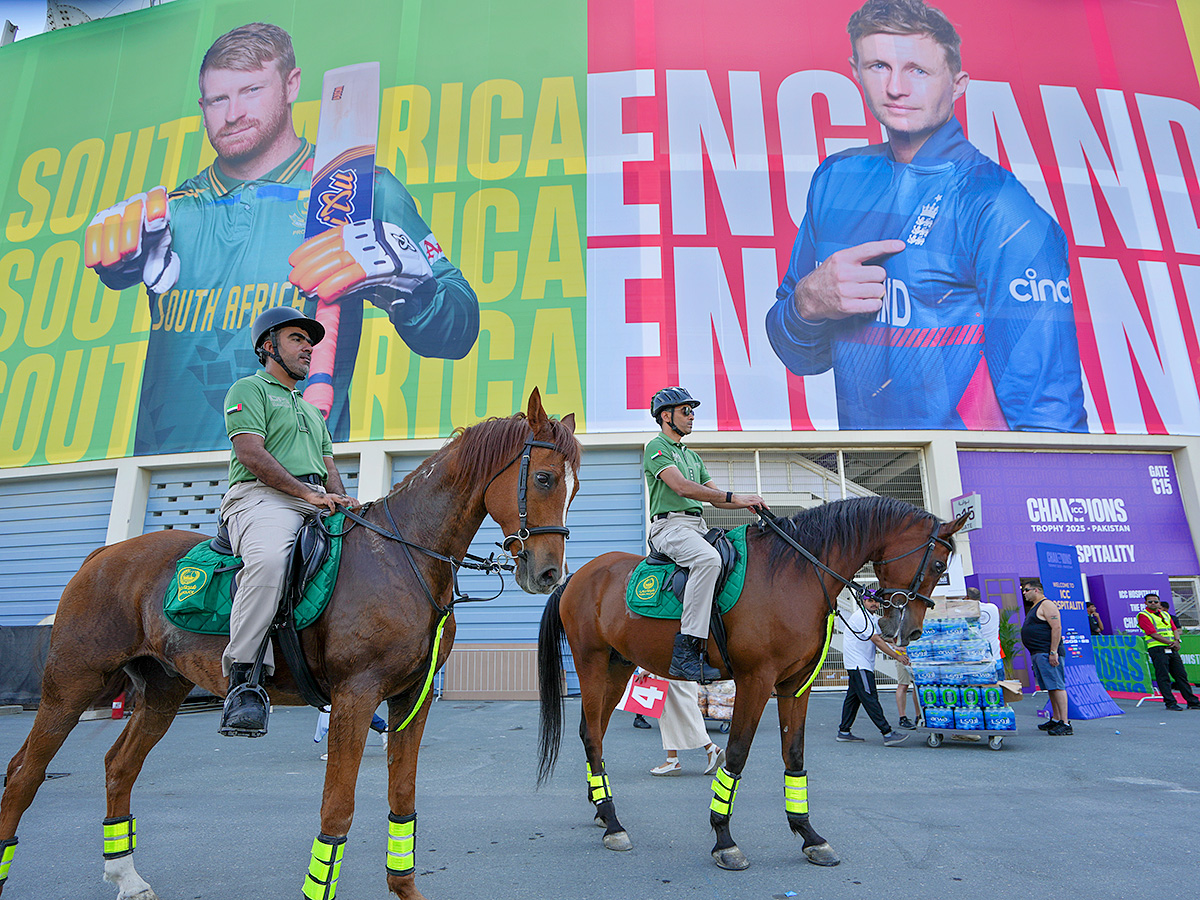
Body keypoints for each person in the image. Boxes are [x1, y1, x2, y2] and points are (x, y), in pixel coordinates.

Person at [84, 21, 479, 454]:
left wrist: (413, 288)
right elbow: (116, 264)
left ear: (292, 85)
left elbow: (460, 324)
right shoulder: (170, 212)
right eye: (219, 99)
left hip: (294, 478)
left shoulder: (359, 191)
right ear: (202, 105)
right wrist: (115, 254)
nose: (232, 113)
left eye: (251, 91)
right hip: (161, 480)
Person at [766, 0, 1086, 432]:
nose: (896, 88)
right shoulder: (835, 178)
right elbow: (800, 357)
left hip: (967, 484)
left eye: (918, 70)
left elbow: (1049, 415)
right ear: (855, 70)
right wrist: (808, 302)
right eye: (879, 65)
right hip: (871, 484)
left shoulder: (998, 207)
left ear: (957, 84)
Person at [217, 307, 361, 736]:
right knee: (268, 563)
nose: (308, 348)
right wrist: (307, 494)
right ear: (268, 346)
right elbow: (251, 454)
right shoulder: (249, 389)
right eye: (298, 338)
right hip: (261, 500)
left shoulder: (312, 411)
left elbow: (328, 465)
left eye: (311, 342)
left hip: (313, 500)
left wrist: (339, 497)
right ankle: (243, 682)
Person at [643, 387, 767, 682]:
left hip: (697, 526)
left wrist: (748, 499)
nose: (692, 417)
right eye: (686, 411)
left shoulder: (692, 456)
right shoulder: (656, 448)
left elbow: (714, 496)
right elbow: (683, 488)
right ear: (665, 416)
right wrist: (730, 494)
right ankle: (686, 650)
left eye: (693, 411)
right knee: (709, 560)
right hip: (669, 527)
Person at [837, 591, 910, 745]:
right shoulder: (860, 617)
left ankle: (844, 731)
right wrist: (897, 656)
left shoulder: (871, 618)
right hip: (859, 664)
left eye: (876, 601)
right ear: (863, 602)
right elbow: (876, 639)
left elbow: (882, 637)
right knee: (870, 698)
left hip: (860, 664)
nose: (874, 604)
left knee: (853, 698)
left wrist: (897, 647)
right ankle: (887, 732)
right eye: (870, 600)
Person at [1020, 580, 1072, 735]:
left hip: (1047, 652)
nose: (1024, 593)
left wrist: (1053, 651)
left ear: (1037, 590)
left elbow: (1056, 627)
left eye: (1026, 590)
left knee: (1057, 686)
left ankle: (1065, 722)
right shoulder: (1035, 607)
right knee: (1051, 687)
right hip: (1038, 653)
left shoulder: (1047, 604)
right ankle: (1056, 719)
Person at [649, 678, 726, 776]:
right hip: (681, 671)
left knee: (671, 712)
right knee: (679, 711)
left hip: (670, 671)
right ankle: (673, 759)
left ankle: (673, 760)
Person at [1136, 593, 1199, 711]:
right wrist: (1171, 643)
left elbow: (1174, 629)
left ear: (1159, 602)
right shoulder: (1143, 615)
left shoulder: (1165, 614)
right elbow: (1152, 633)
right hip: (1157, 648)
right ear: (1145, 603)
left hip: (1172, 648)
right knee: (1163, 676)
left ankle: (1192, 702)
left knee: (1181, 675)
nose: (1153, 604)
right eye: (1150, 602)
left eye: (1155, 601)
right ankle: (1170, 702)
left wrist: (1177, 641)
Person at [974, 587, 1004, 681]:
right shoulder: (992, 608)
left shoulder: (966, 613)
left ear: (967, 598)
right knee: (999, 691)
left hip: (978, 662)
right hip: (996, 659)